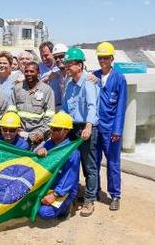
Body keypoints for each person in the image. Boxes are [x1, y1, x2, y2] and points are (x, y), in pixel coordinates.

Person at [62, 47, 99, 217]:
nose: (67, 67)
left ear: (80, 65)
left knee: (89, 165)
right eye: (66, 64)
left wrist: (89, 127)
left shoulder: (88, 82)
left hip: (87, 127)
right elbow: (65, 108)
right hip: (73, 128)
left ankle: (90, 200)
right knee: (73, 163)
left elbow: (92, 106)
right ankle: (73, 195)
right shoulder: (69, 84)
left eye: (69, 64)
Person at [93, 42, 127, 210]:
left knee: (113, 162)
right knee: (94, 161)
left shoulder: (119, 78)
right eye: (100, 57)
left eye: (106, 57)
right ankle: (95, 190)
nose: (103, 61)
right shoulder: (94, 76)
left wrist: (117, 129)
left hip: (111, 129)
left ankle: (115, 195)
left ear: (112, 58)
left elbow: (121, 105)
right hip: (95, 127)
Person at [36, 112, 80, 220]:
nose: (51, 131)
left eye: (56, 129)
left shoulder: (73, 152)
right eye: (51, 128)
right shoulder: (49, 144)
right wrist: (40, 151)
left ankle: (67, 206)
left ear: (66, 131)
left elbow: (69, 178)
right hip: (49, 185)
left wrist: (55, 195)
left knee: (44, 212)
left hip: (64, 189)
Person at [8, 62, 55, 149]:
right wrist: (15, 129)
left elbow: (49, 116)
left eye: (31, 71)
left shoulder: (47, 90)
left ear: (38, 73)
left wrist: (41, 132)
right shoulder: (17, 88)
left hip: (38, 136)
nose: (28, 74)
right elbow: (11, 111)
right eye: (26, 71)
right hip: (19, 134)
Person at [39, 42, 64, 111]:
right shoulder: (39, 67)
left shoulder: (61, 65)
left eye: (46, 55)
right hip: (44, 107)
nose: (44, 59)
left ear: (52, 53)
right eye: (41, 56)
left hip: (60, 106)